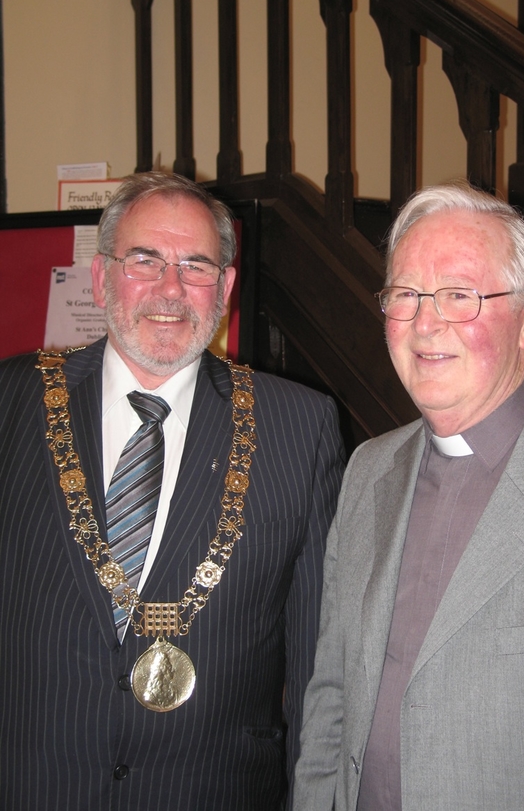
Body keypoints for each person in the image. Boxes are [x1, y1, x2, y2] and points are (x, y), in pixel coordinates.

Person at [0, 172, 345, 811]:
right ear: (102, 277)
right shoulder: (14, 400)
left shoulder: (300, 426)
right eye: (145, 260)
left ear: (227, 288)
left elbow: (319, 670)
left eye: (196, 266)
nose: (170, 289)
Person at [293, 182, 524, 811]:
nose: (425, 323)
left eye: (459, 296)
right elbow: (332, 696)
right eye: (405, 295)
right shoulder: (368, 470)